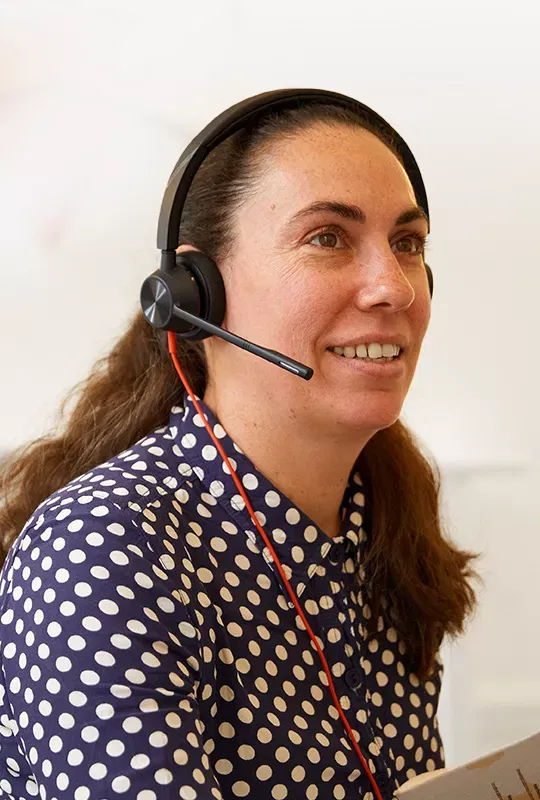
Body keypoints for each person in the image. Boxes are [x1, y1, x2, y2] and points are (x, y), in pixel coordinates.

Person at [0, 89, 477, 800]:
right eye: (328, 238)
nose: (394, 288)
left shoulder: (383, 526)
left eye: (406, 243)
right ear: (197, 293)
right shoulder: (104, 547)